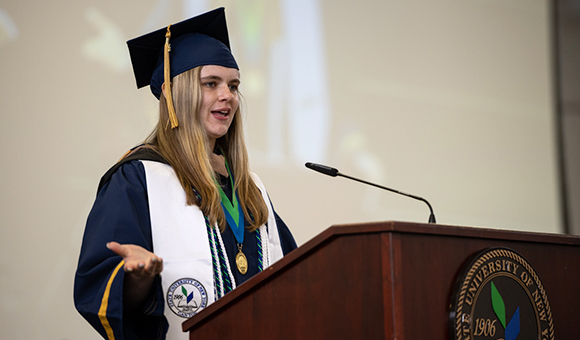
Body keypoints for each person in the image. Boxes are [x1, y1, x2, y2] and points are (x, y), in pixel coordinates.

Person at [74, 8, 297, 340]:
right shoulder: (140, 177)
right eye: (211, 84)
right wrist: (136, 279)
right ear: (172, 92)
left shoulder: (250, 186)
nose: (228, 96)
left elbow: (296, 273)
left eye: (234, 86)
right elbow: (102, 290)